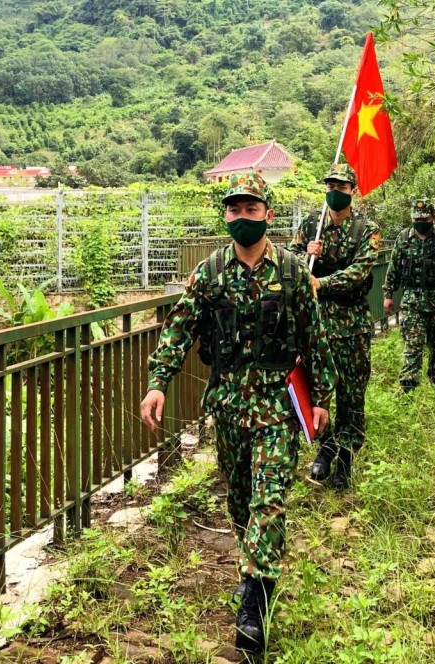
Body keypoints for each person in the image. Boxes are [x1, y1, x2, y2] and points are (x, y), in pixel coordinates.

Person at [139, 171, 336, 655]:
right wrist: (158, 383)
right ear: (226, 215)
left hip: (275, 405)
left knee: (269, 500)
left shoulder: (291, 272)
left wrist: (324, 398)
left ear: (268, 214)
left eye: (251, 209)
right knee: (241, 500)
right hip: (227, 403)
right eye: (234, 209)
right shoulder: (209, 273)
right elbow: (179, 328)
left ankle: (255, 600)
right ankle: (253, 572)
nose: (242, 217)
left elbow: (314, 337)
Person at [290, 163, 380, 490]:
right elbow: (291, 261)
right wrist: (305, 257)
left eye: (341, 187)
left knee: (351, 395)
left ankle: (346, 460)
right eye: (330, 185)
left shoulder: (366, 229)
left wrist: (321, 282)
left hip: (352, 324)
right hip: (318, 324)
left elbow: (358, 272)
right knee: (320, 391)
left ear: (352, 192)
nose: (334, 192)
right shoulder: (312, 224)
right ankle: (325, 451)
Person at [382, 198, 435, 395]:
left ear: (433, 217)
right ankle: (408, 389)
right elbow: (393, 268)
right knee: (413, 346)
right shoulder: (404, 238)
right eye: (417, 219)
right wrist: (388, 295)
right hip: (412, 303)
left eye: (425, 218)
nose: (421, 222)